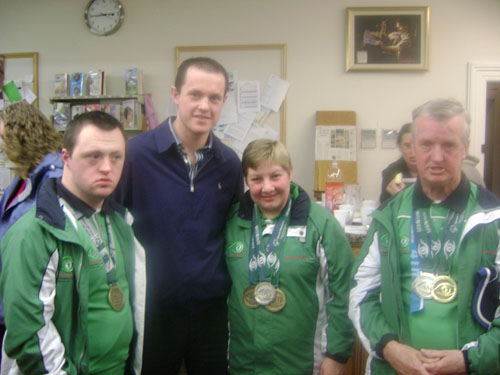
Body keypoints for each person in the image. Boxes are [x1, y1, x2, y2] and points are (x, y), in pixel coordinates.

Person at [349, 98, 500, 375]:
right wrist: (390, 349)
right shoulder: (389, 216)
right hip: (395, 369)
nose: (437, 156)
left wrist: (468, 361)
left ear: (465, 148)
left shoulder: (494, 217)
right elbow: (361, 293)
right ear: (413, 149)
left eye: (449, 145)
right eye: (427, 144)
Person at [114, 57, 243, 374]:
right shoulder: (137, 154)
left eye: (214, 98)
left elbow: (234, 230)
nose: (204, 106)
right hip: (153, 310)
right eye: (195, 95)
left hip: (211, 311)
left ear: (224, 101)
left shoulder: (229, 163)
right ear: (175, 94)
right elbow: (114, 226)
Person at [0, 111, 146, 375]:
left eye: (116, 157)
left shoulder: (122, 225)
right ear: (65, 157)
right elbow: (29, 333)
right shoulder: (33, 232)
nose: (106, 168)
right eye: (94, 156)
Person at [225, 139, 354, 375]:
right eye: (256, 179)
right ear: (246, 180)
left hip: (302, 364)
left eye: (275, 176)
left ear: (290, 172)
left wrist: (337, 354)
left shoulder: (321, 224)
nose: (267, 187)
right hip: (243, 363)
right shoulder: (232, 222)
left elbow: (343, 292)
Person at [0, 101, 63, 355]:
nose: (2, 147)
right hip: (12, 292)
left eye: (5, 138)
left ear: (22, 136)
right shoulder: (22, 176)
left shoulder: (54, 178)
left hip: (33, 295)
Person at [379, 122, 418, 203]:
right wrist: (393, 198)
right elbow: (383, 207)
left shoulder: (434, 170)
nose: (413, 153)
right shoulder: (390, 172)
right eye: (407, 146)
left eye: (417, 145)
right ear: (400, 147)